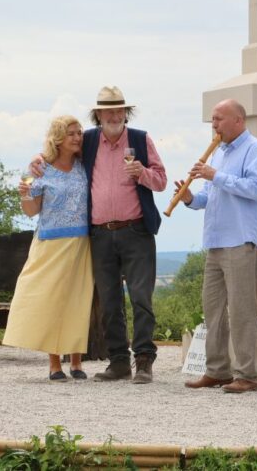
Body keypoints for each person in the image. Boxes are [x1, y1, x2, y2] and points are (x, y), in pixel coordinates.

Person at [30, 86, 167, 384]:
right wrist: (38, 160)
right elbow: (58, 151)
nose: (115, 115)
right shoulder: (89, 139)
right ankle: (118, 362)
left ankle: (143, 361)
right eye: (108, 111)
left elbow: (161, 181)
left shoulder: (141, 140)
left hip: (136, 231)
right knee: (108, 300)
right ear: (99, 115)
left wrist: (142, 172)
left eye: (120, 110)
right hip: (100, 235)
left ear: (125, 113)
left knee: (142, 297)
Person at [175, 99, 257, 394]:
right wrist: (190, 198)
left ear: (238, 120)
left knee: (242, 310)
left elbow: (255, 190)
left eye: (218, 119)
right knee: (212, 308)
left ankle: (247, 374)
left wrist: (215, 175)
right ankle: (217, 371)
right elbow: (209, 197)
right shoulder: (217, 152)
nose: (213, 125)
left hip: (242, 239)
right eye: (212, 120)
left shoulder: (255, 149)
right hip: (216, 240)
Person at [3, 116, 93, 381]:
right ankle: (55, 363)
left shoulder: (84, 165)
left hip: (81, 242)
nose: (77, 138)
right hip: (50, 243)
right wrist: (24, 194)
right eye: (71, 134)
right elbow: (31, 211)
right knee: (50, 299)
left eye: (79, 133)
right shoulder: (40, 169)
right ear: (58, 139)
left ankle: (76, 361)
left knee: (78, 299)